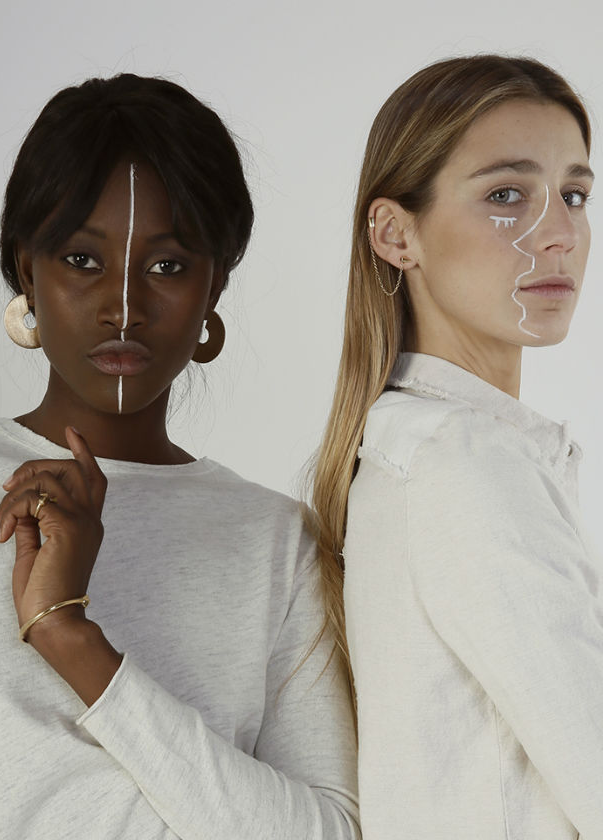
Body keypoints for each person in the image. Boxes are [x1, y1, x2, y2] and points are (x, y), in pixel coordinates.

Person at [0, 74, 359, 839]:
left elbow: (330, 830)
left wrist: (69, 635)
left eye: (168, 265)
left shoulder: (280, 542)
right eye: (83, 260)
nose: (123, 306)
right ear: (27, 271)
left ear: (216, 286)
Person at [311, 55, 599, 838]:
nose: (560, 235)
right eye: (507, 195)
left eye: (574, 195)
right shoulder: (466, 462)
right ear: (395, 233)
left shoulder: (418, 450)